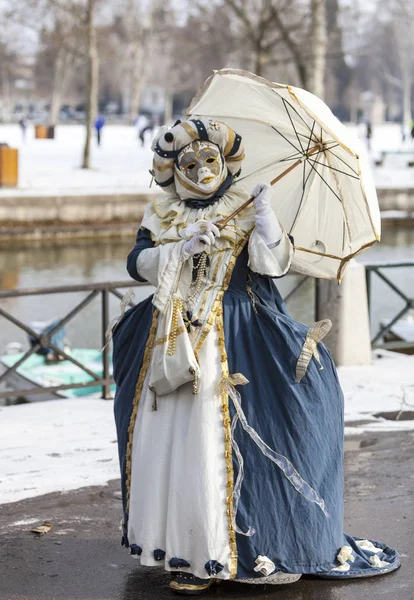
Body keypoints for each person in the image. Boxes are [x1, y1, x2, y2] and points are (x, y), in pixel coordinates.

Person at [113, 118, 399, 595]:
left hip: (239, 336)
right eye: (190, 162)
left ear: (226, 163)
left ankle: (236, 546)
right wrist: (178, 251)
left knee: (217, 437)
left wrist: (265, 218)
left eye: (211, 160)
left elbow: (273, 265)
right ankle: (184, 547)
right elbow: (136, 263)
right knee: (172, 441)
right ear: (173, 169)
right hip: (170, 336)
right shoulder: (162, 212)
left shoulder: (245, 206)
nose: (202, 169)